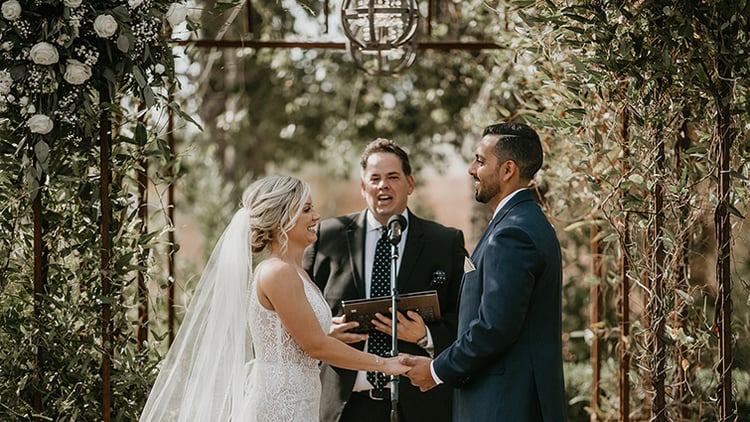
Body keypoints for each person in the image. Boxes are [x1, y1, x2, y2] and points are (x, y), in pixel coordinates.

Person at [139, 175, 408, 422]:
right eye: (306, 210)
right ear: (281, 220)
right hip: (280, 404)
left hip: (300, 399)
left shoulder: (296, 271)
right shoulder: (278, 272)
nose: (316, 216)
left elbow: (298, 340)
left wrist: (329, 333)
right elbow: (316, 347)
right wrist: (385, 364)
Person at [400, 122, 567, 421]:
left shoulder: (512, 233)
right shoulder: (522, 222)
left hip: (504, 405)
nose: (470, 169)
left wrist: (436, 370)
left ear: (507, 170)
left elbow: (494, 327)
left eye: (480, 160)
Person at [302, 138, 467, 422]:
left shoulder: (445, 242)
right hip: (344, 405)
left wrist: (426, 337)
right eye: (374, 179)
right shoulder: (325, 238)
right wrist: (321, 332)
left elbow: (466, 320)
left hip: (420, 405)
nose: (383, 186)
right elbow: (296, 313)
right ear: (363, 187)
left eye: (393, 177)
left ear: (410, 184)